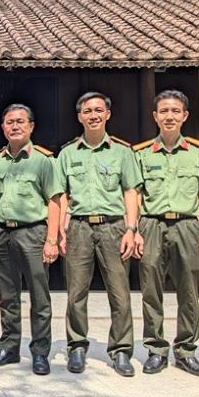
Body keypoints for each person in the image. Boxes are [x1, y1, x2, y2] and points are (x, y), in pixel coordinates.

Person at [132, 90, 199, 378]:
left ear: (185, 116)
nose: (169, 116)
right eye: (164, 111)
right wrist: (135, 229)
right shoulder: (142, 153)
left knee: (189, 290)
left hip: (187, 225)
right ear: (155, 116)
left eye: (175, 111)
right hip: (151, 224)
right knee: (151, 290)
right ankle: (156, 349)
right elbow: (134, 194)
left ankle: (186, 351)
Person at [57, 91, 142, 377]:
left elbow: (130, 191)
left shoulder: (122, 152)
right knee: (75, 293)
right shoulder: (68, 154)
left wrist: (131, 228)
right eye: (87, 111)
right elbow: (61, 194)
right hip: (79, 227)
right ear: (79, 116)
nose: (93, 115)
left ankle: (121, 350)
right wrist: (62, 229)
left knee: (119, 293)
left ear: (107, 114)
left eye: (98, 110)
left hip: (114, 227)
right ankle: (76, 347)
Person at [0, 104, 60, 375]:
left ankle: (40, 352)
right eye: (9, 122)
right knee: (7, 296)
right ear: (2, 127)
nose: (15, 126)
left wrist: (52, 239)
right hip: (1, 233)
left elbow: (55, 200)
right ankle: (9, 347)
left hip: (32, 233)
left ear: (31, 126)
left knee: (39, 296)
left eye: (20, 121)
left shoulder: (43, 161)